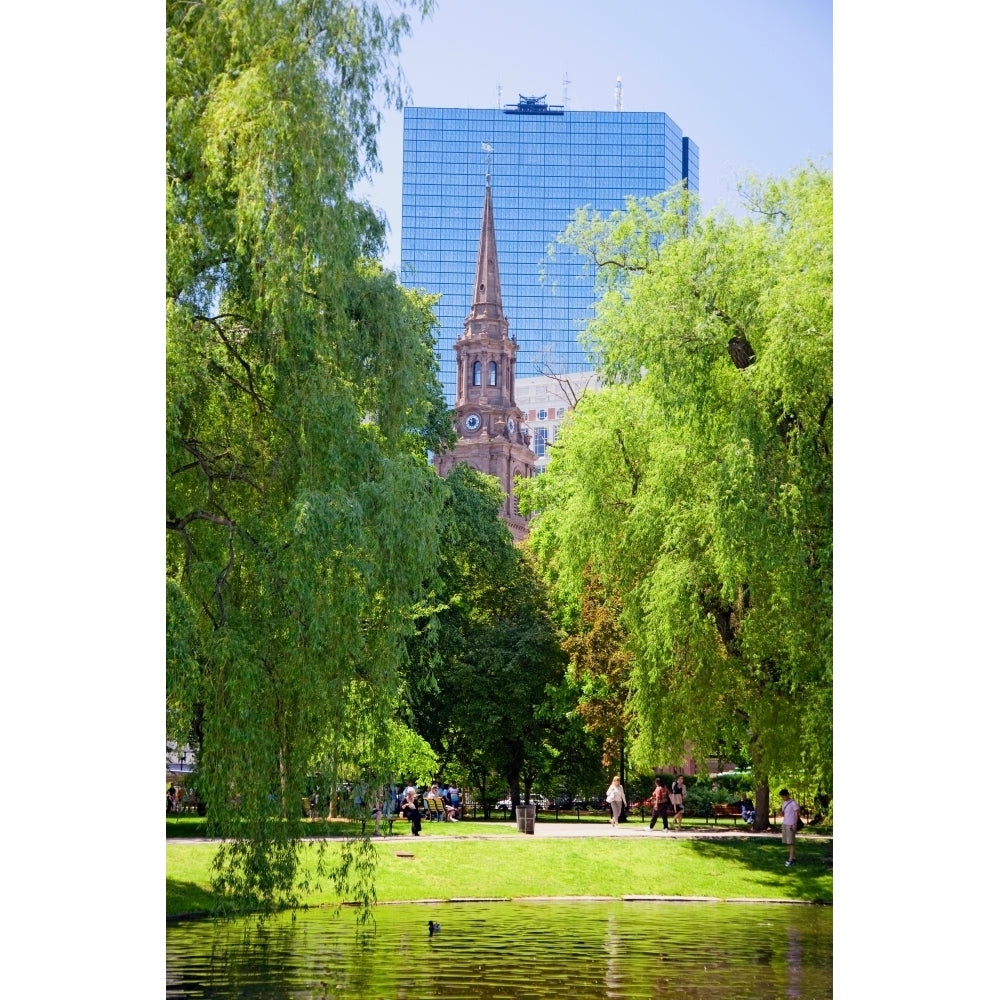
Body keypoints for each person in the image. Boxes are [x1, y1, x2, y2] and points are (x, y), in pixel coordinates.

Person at [779, 789, 799, 865]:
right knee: (787, 842)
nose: (782, 798)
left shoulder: (793, 803)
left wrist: (795, 824)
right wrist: (781, 813)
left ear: (787, 795)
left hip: (791, 824)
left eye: (783, 796)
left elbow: (797, 814)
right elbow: (784, 813)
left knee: (791, 842)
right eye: (782, 797)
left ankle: (790, 859)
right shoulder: (784, 803)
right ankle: (793, 857)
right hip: (785, 824)